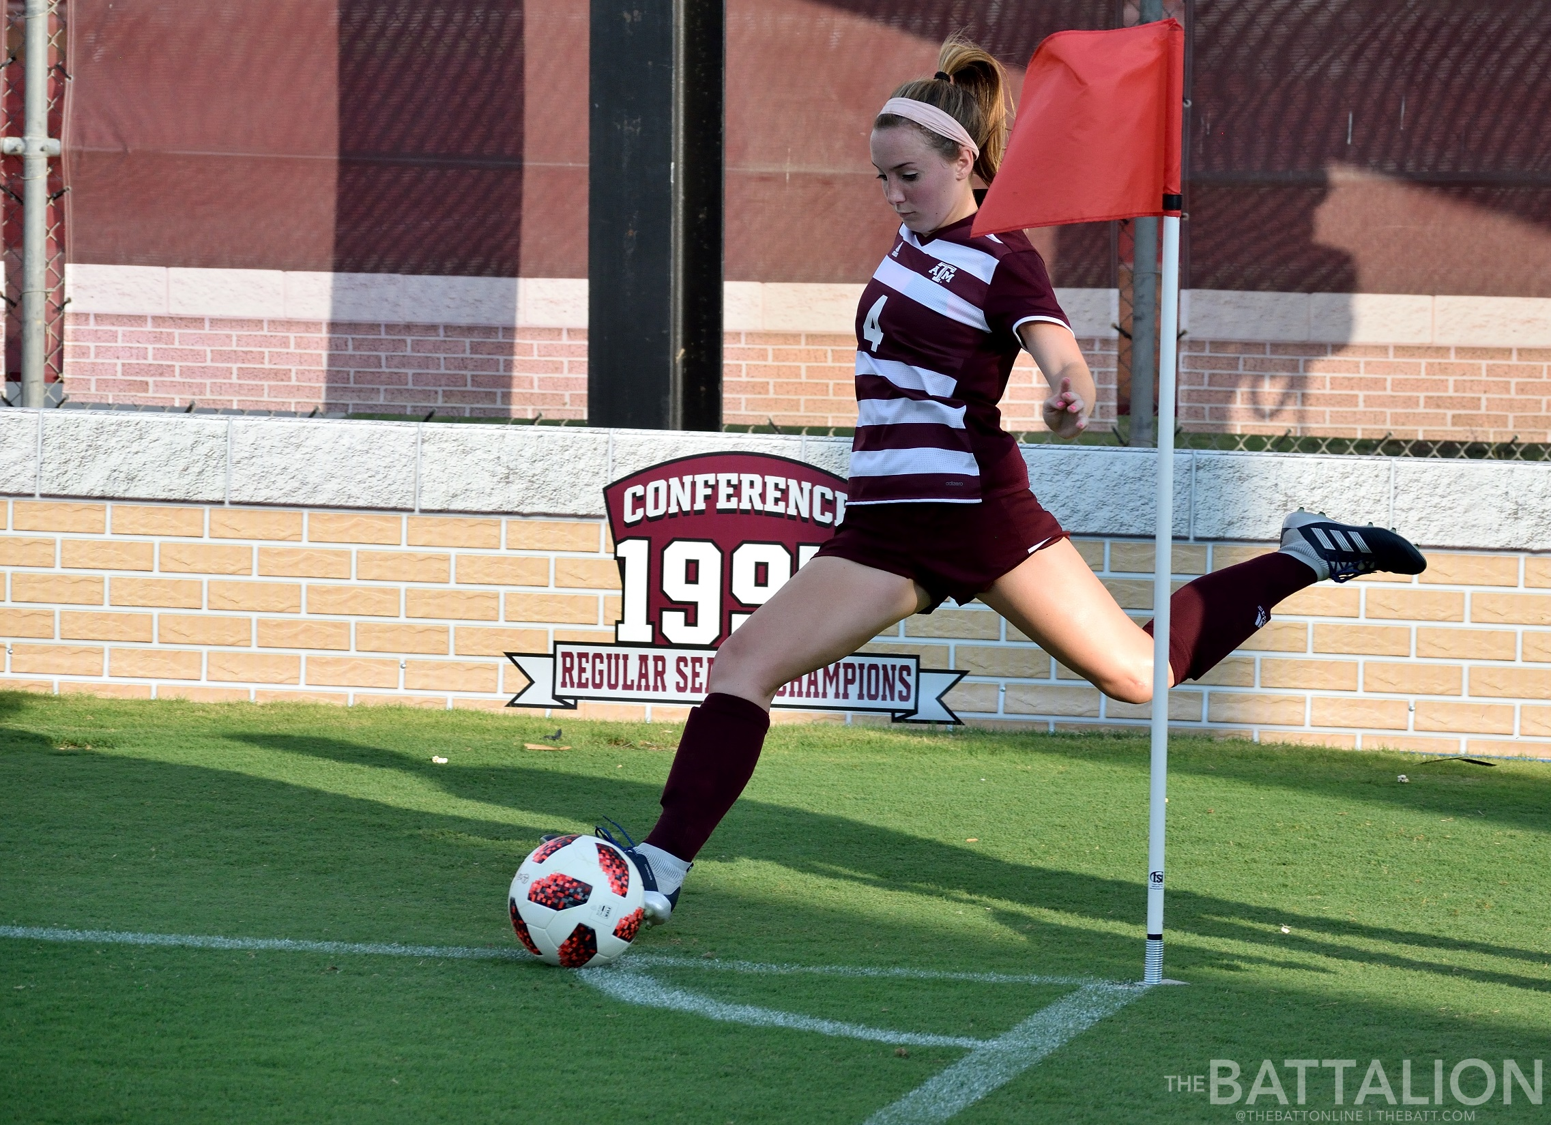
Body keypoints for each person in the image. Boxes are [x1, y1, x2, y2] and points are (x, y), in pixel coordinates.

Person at [594, 36, 1426, 924]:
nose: (893, 194)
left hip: (974, 512)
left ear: (964, 161)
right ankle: (661, 866)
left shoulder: (1002, 253)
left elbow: (1052, 341)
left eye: (906, 175)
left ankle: (1300, 555)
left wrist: (1072, 383)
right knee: (743, 664)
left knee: (1139, 676)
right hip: (881, 523)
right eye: (881, 178)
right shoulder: (911, 240)